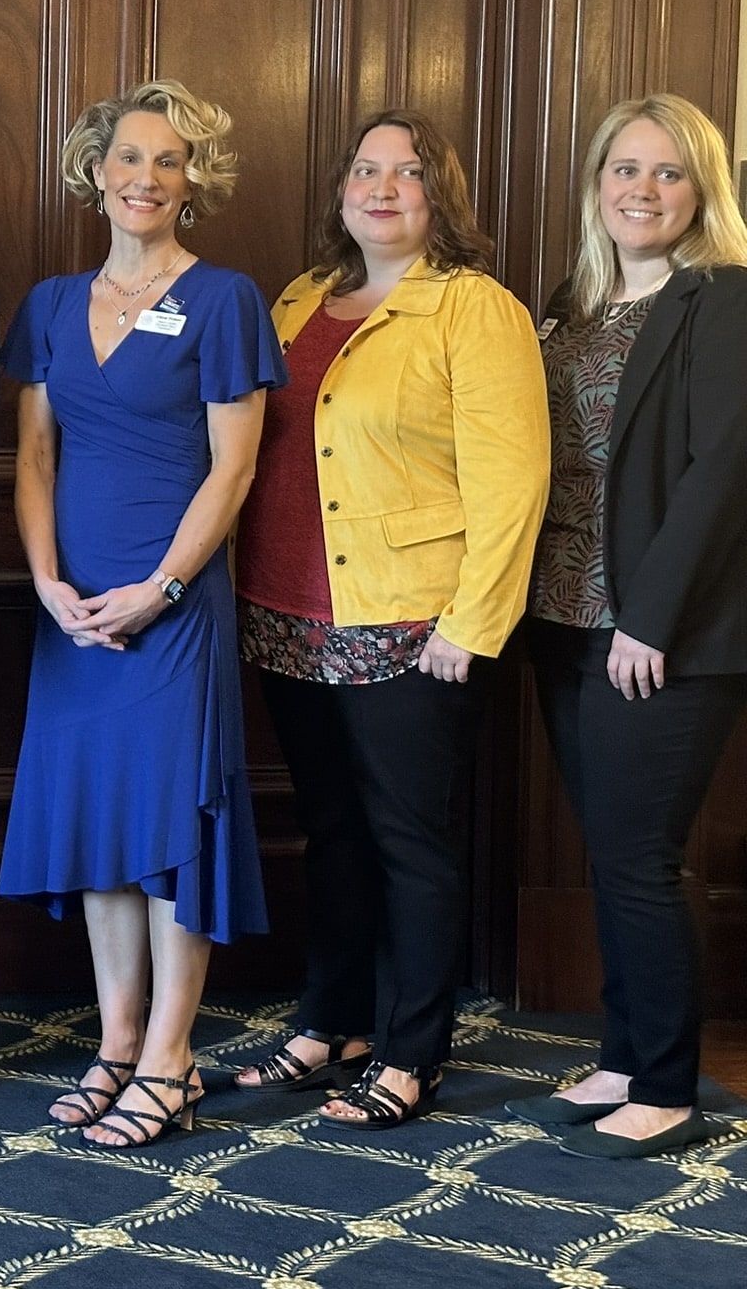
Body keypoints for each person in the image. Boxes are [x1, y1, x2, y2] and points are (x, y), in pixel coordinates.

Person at [232, 109, 548, 1129]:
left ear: (437, 195)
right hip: (285, 615)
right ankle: (330, 1024)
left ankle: (413, 1051)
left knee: (410, 843)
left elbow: (514, 484)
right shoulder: (296, 300)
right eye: (364, 170)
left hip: (411, 624)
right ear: (339, 191)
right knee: (329, 830)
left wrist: (471, 623)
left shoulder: (474, 310)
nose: (380, 188)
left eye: (405, 174)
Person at [0, 81, 282, 1148]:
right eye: (127, 157)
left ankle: (171, 1055)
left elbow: (233, 467)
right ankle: (116, 1041)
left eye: (167, 162)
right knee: (102, 825)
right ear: (94, 170)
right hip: (71, 611)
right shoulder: (48, 303)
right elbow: (31, 454)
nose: (144, 178)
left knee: (167, 830)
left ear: (189, 181)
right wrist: (44, 583)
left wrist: (160, 588)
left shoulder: (222, 299)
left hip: (172, 605)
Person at [507, 95, 747, 1159]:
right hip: (560, 619)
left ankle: (664, 1083)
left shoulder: (722, 299)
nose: (639, 191)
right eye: (623, 169)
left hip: (659, 635)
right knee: (609, 851)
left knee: (641, 856)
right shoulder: (571, 306)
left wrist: (646, 617)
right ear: (595, 182)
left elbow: (721, 474)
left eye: (666, 174)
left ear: (701, 193)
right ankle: (619, 1053)